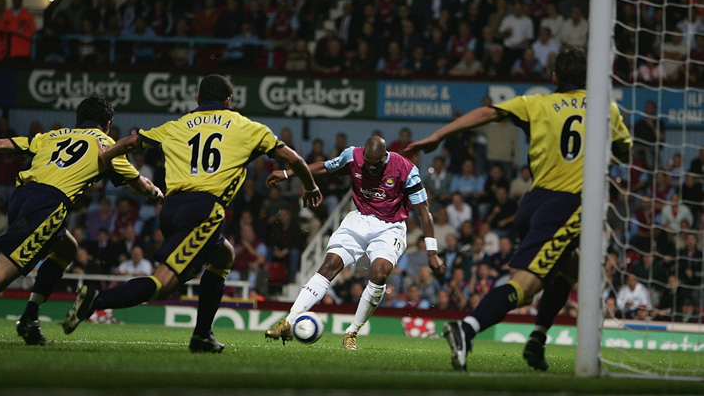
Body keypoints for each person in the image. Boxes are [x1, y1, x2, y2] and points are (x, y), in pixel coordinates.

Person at [403, 48, 632, 371]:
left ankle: (537, 340)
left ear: (553, 78)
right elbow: (624, 152)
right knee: (525, 287)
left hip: (532, 204)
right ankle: (466, 329)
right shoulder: (605, 109)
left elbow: (486, 113)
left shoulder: (535, 103)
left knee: (571, 268)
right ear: (590, 78)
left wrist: (438, 135)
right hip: (568, 206)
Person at [61, 75, 321, 354]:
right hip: (204, 211)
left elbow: (133, 142)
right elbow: (294, 159)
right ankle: (95, 301)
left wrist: (106, 154)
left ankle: (202, 335)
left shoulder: (177, 125)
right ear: (228, 101)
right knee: (163, 284)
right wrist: (310, 186)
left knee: (224, 256)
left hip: (171, 210)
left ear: (197, 99)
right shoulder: (247, 127)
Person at [0, 95, 161, 345]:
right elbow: (140, 184)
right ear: (107, 124)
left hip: (21, 197)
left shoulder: (53, 135)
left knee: (67, 247)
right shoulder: (107, 144)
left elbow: (0, 144)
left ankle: (30, 316)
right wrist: (156, 193)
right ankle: (25, 315)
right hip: (48, 205)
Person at [263, 135, 445, 350]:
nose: (371, 168)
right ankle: (289, 321)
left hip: (390, 226)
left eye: (376, 164)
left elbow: (424, 213)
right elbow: (325, 167)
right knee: (329, 265)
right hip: (359, 219)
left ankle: (352, 331)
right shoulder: (352, 156)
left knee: (379, 273)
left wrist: (432, 252)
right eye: (367, 163)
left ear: (385, 158)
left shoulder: (406, 170)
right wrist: (288, 173)